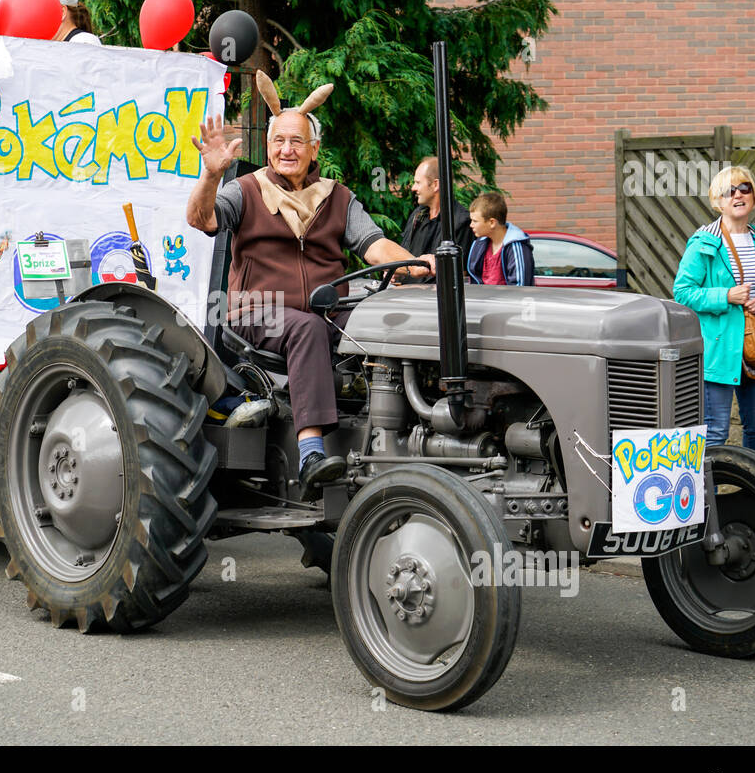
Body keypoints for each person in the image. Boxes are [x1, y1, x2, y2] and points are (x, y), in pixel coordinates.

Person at [186, 71, 433, 501]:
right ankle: (311, 452)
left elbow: (374, 246)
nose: (287, 149)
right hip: (256, 311)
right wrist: (210, 176)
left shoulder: (337, 197)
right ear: (268, 146)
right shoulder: (245, 191)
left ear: (314, 148)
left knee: (388, 319)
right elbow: (201, 219)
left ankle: (405, 434)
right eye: (279, 140)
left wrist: (417, 264)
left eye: (297, 141)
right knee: (307, 327)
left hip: (326, 310)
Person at [673, 166, 755, 455]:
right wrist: (725, 296)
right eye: (728, 191)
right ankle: (711, 485)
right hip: (718, 348)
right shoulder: (704, 242)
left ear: (753, 196)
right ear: (717, 201)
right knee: (716, 430)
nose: (737, 195)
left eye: (744, 188)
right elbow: (682, 292)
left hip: (754, 348)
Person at [398, 156, 472, 284]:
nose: (413, 188)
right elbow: (404, 255)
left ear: (435, 184)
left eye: (418, 182)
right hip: (406, 293)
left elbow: (456, 275)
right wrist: (397, 272)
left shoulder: (461, 221)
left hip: (435, 296)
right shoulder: (417, 215)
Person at [465, 192, 535, 286]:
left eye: (475, 221)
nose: (471, 225)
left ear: (492, 223)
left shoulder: (516, 246)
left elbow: (520, 287)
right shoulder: (479, 244)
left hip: (507, 296)